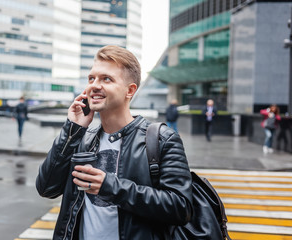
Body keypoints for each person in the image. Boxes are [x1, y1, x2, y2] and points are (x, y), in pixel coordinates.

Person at [36, 45, 192, 239]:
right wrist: (72, 130)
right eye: (91, 78)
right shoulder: (83, 138)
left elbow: (180, 208)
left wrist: (111, 187)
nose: (94, 85)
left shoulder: (162, 139)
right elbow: (46, 188)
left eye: (106, 79)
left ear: (130, 90)